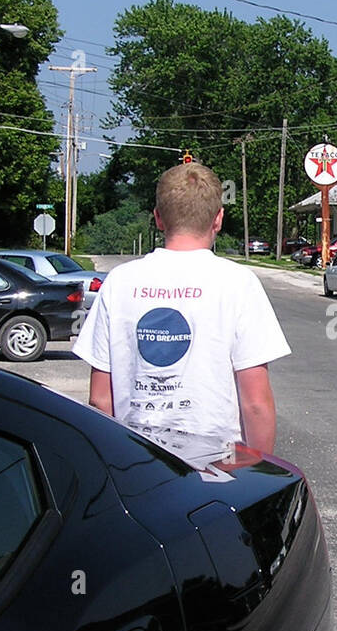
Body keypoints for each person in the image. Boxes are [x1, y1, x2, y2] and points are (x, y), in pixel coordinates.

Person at [72, 162, 290, 465]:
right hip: (219, 467)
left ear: (159, 218)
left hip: (135, 462)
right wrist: (258, 475)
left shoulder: (119, 282)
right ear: (218, 219)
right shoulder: (238, 283)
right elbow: (255, 404)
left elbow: (100, 398)